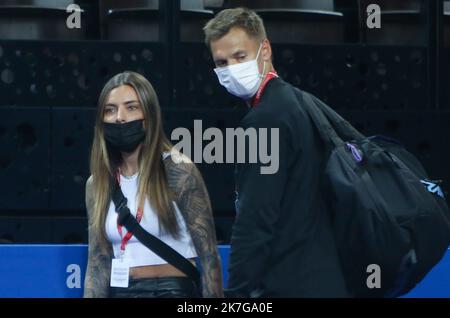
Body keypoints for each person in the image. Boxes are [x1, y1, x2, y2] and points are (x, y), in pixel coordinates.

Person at [203, 8, 349, 297]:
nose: (231, 68)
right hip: (327, 280)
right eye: (222, 62)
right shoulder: (301, 103)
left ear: (265, 49)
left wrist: (237, 295)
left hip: (290, 285)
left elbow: (255, 220)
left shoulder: (265, 120)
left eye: (240, 56)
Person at [83, 71, 223, 298]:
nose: (119, 117)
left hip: (169, 291)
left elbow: (209, 256)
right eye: (110, 110)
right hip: (120, 292)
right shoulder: (97, 183)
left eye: (131, 107)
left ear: (149, 115)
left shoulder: (178, 170)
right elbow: (97, 261)